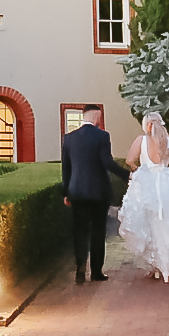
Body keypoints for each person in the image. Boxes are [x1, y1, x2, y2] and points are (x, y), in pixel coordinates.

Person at [119, 113, 169, 281]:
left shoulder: (141, 140)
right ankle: (168, 267)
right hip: (166, 185)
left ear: (146, 125)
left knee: (150, 225)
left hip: (147, 186)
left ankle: (154, 266)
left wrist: (140, 170)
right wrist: (167, 169)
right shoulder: (168, 141)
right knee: (168, 224)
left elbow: (129, 160)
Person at [60, 108, 126, 283]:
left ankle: (80, 268)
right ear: (96, 115)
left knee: (80, 231)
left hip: (77, 192)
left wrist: (66, 193)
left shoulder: (69, 138)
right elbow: (107, 161)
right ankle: (96, 272)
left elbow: (66, 168)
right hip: (98, 192)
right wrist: (127, 175)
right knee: (98, 231)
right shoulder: (102, 136)